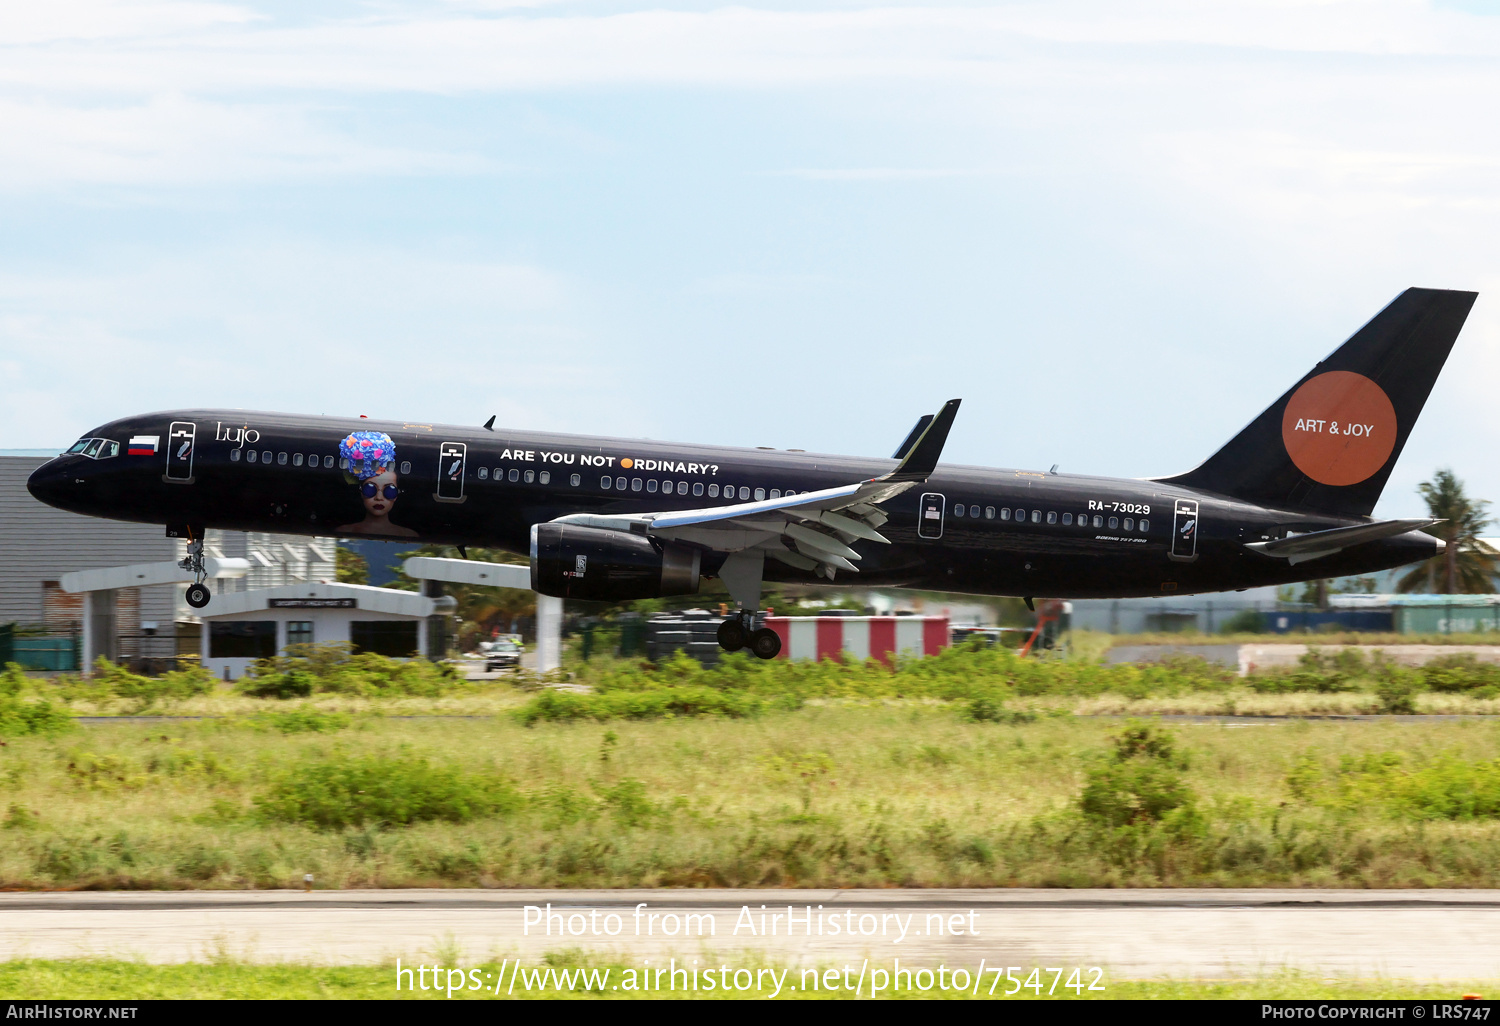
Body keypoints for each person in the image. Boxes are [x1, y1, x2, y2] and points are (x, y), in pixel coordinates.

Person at [337, 430, 418, 537]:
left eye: (389, 491)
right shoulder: (343, 531)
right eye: (370, 489)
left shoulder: (409, 535)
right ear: (361, 491)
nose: (379, 498)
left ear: (397, 495)